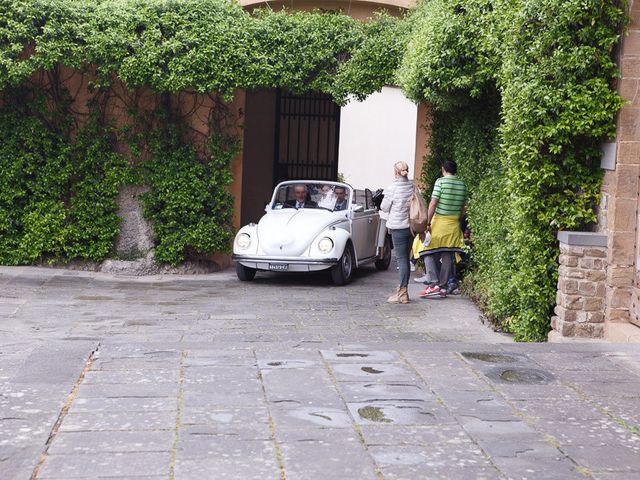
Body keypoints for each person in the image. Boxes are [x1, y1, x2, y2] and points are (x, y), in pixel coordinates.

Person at [419, 160, 468, 298]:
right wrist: (458, 218)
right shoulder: (463, 184)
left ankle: (434, 283)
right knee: (448, 254)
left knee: (424, 249)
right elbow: (465, 207)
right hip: (453, 225)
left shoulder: (440, 182)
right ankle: (443, 287)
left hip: (439, 222)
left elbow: (433, 203)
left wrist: (427, 223)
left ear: (443, 169)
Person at [380, 161, 414, 304]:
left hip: (398, 228)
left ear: (395, 172)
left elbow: (385, 207)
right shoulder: (412, 186)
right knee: (405, 258)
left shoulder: (392, 188)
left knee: (401, 260)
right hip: (411, 227)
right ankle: (402, 291)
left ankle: (402, 293)